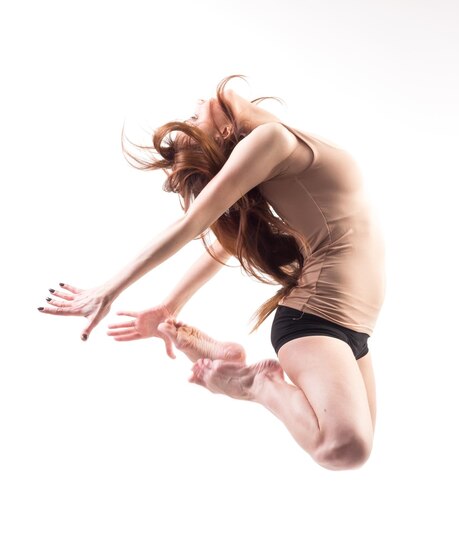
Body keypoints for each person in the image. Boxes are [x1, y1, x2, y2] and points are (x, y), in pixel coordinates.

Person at [38, 74, 386, 471]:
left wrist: (168, 307)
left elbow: (227, 243)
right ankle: (253, 382)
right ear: (224, 132)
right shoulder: (269, 140)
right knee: (342, 448)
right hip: (315, 320)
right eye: (195, 117)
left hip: (354, 327)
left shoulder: (279, 151)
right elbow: (194, 225)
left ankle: (235, 370)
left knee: (358, 448)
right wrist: (107, 290)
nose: (199, 103)